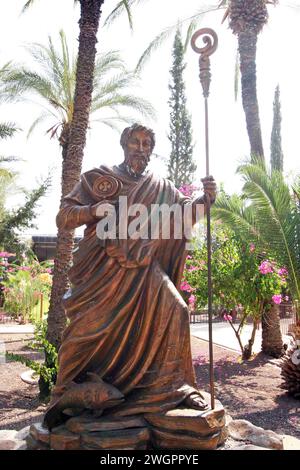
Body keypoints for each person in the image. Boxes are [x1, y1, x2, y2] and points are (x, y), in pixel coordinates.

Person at [44, 123, 217, 429]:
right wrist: (94, 210)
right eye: (135, 142)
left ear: (151, 150)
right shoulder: (100, 177)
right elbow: (64, 217)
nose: (140, 148)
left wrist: (205, 200)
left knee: (176, 309)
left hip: (144, 270)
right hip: (102, 274)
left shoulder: (161, 187)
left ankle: (175, 389)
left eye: (146, 144)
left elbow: (186, 213)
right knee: (86, 333)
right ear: (124, 145)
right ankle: (65, 393)